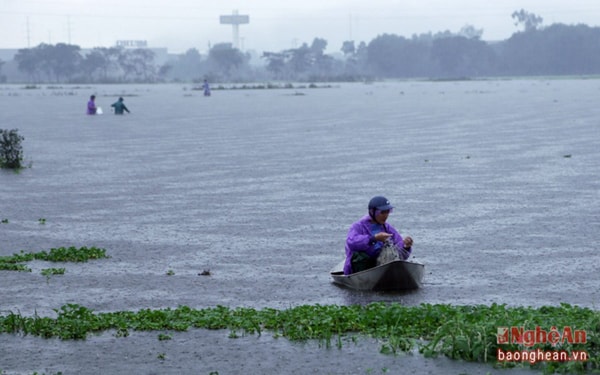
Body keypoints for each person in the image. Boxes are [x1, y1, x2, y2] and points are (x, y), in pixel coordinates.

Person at [343, 196, 413, 275]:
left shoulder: (387, 227)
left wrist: (406, 246)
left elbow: (399, 249)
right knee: (360, 256)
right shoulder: (358, 226)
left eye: (387, 212)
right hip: (361, 268)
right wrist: (373, 239)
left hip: (380, 266)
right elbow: (352, 242)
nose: (385, 215)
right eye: (382, 212)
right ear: (372, 212)